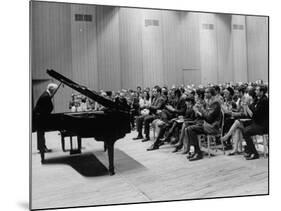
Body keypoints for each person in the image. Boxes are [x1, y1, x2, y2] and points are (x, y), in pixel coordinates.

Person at [242, 85, 269, 160]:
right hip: (257, 123)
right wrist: (246, 105)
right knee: (243, 128)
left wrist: (247, 106)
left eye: (257, 90)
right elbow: (249, 112)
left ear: (262, 92)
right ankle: (249, 150)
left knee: (246, 131)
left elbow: (253, 114)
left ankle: (254, 153)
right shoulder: (257, 99)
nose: (255, 91)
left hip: (263, 126)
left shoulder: (264, 101)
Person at [33, 83, 58, 163]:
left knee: (41, 133)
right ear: (51, 89)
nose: (54, 91)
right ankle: (42, 148)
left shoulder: (46, 94)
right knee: (41, 133)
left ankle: (42, 147)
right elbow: (49, 107)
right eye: (54, 90)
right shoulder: (46, 96)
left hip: (39, 116)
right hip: (39, 117)